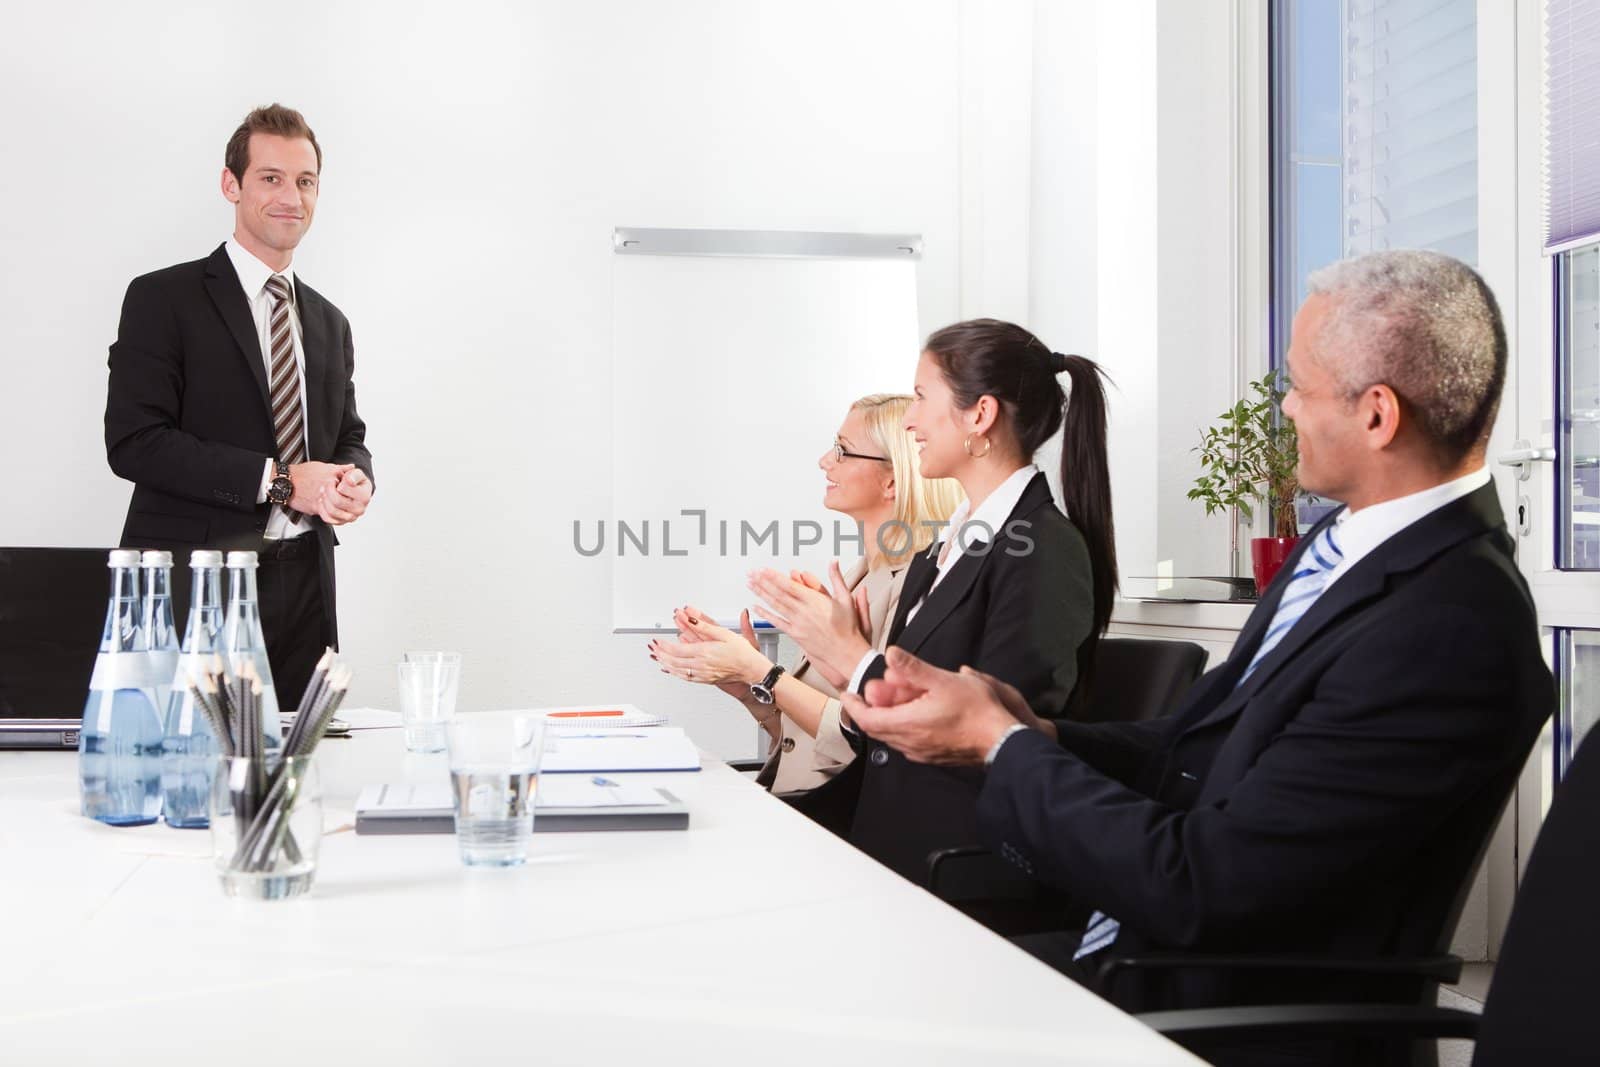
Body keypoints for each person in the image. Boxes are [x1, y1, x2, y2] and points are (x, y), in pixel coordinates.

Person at [844, 251, 1554, 1064]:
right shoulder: (1344, 550)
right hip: (1149, 966)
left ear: (1378, 416)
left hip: (1219, 1015)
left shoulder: (1449, 624)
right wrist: (1025, 726)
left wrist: (996, 746)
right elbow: (1186, 746)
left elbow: (1204, 888)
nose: (1283, 406)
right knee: (866, 988)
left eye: (1298, 385)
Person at [748, 320, 1117, 884]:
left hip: (950, 859)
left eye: (921, 397)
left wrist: (852, 657)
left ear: (979, 416)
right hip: (882, 840)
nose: (912, 420)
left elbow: (990, 735)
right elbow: (883, 725)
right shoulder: (942, 549)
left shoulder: (1044, 547)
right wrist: (839, 665)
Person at [104, 104, 374, 706]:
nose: (291, 197)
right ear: (232, 184)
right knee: (189, 773)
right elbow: (134, 441)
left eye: (305, 182)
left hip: (305, 585)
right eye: (270, 178)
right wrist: (280, 483)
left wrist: (354, 479)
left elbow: (347, 434)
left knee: (298, 775)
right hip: (199, 583)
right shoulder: (161, 298)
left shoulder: (329, 322)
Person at [649, 395, 962, 794]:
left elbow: (863, 745)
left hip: (841, 824)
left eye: (843, 451)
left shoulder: (919, 588)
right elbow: (809, 741)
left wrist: (758, 671)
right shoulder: (858, 576)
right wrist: (745, 686)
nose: (824, 461)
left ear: (893, 480)